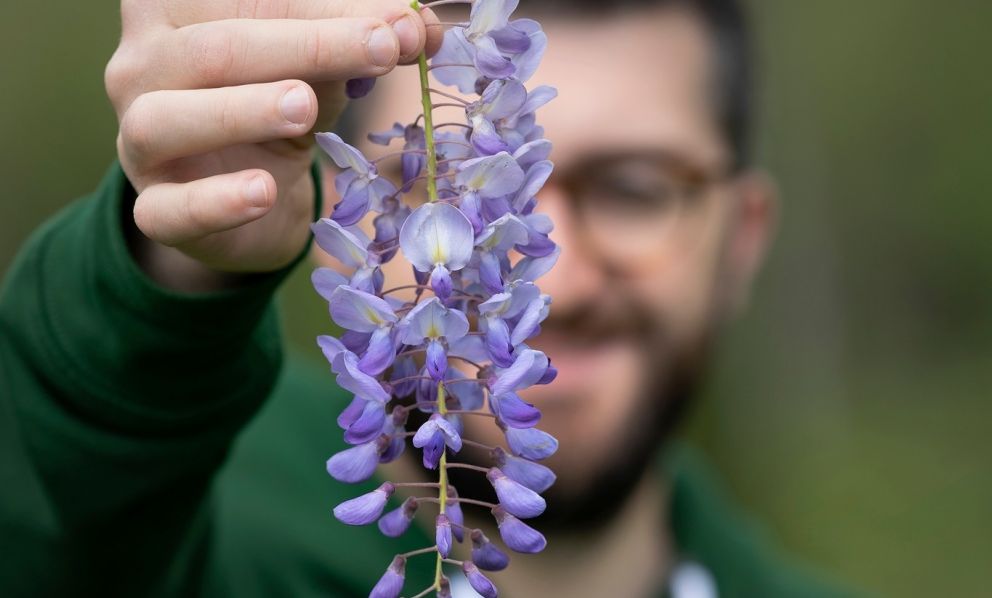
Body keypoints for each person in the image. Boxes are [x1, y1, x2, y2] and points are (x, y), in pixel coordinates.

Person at [0, 0, 854, 596]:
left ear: (743, 238)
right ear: (340, 218)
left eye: (632, 188)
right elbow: (56, 527)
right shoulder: (208, 529)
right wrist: (174, 274)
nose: (546, 282)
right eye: (408, 185)